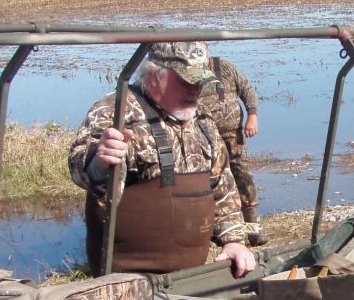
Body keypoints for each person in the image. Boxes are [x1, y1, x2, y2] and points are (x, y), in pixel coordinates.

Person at [69, 41, 257, 278]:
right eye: (186, 81)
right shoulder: (115, 111)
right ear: (155, 75)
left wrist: (234, 241)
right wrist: (100, 160)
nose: (195, 89)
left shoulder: (202, 119)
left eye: (200, 82)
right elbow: (81, 168)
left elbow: (222, 187)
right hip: (128, 279)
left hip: (190, 278)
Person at [199, 48, 267, 246]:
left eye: (201, 48)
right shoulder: (186, 74)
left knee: (243, 177)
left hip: (232, 136)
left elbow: (247, 89)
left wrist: (252, 116)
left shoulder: (223, 67)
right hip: (204, 138)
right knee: (209, 181)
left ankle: (253, 228)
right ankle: (216, 233)